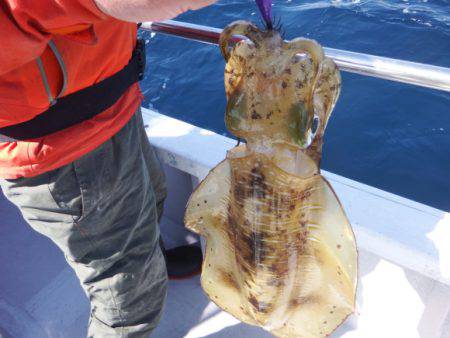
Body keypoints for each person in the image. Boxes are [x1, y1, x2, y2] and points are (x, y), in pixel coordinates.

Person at [0, 0, 216, 337]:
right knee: (128, 300)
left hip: (113, 102)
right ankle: (138, 272)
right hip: (60, 147)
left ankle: (152, 260)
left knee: (153, 196)